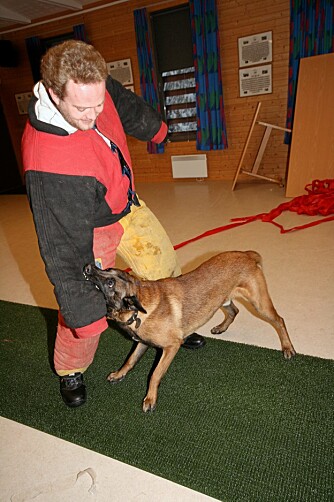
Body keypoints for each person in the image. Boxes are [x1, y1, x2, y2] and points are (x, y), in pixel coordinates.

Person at [22, 40, 205, 408]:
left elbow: (122, 102)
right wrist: (86, 317)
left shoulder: (94, 88)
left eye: (98, 103)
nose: (94, 114)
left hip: (125, 203)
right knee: (85, 306)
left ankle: (175, 325)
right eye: (82, 108)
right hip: (86, 228)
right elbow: (64, 252)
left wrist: (156, 129)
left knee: (165, 268)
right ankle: (70, 369)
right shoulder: (47, 163)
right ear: (55, 94)